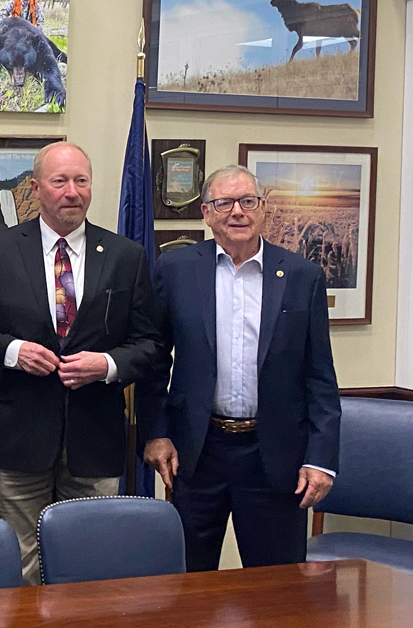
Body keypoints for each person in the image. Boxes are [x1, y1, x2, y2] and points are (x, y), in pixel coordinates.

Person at [0, 142, 160, 585]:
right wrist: (14, 353)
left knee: (92, 563)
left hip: (95, 440)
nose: (72, 192)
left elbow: (151, 345)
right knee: (21, 564)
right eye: (59, 181)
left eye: (81, 181)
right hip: (19, 439)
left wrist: (106, 365)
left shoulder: (125, 257)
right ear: (35, 188)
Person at [138, 165, 340, 572]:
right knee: (186, 584)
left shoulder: (302, 276)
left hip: (274, 456)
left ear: (263, 208)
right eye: (224, 203)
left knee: (277, 590)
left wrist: (321, 458)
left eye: (248, 201)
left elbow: (320, 375)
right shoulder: (175, 270)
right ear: (205, 212)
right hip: (196, 453)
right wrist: (157, 433)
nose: (237, 212)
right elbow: (154, 361)